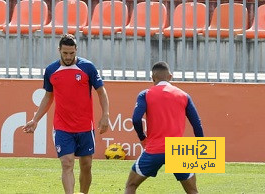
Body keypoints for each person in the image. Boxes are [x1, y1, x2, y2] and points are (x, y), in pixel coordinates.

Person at [22, 34, 110, 194]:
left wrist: (105, 115)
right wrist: (35, 120)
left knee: (86, 165)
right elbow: (48, 96)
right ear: (59, 51)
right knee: (67, 163)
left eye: (71, 53)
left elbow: (101, 92)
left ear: (76, 50)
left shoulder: (87, 67)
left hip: (85, 126)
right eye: (65, 53)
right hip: (62, 127)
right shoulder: (51, 70)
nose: (68, 57)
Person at [124, 61, 204, 194]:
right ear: (170, 77)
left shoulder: (145, 94)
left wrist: (142, 138)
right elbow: (197, 124)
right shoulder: (184, 95)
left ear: (153, 78)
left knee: (131, 185)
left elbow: (136, 119)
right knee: (192, 191)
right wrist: (201, 147)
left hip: (154, 150)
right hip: (178, 151)